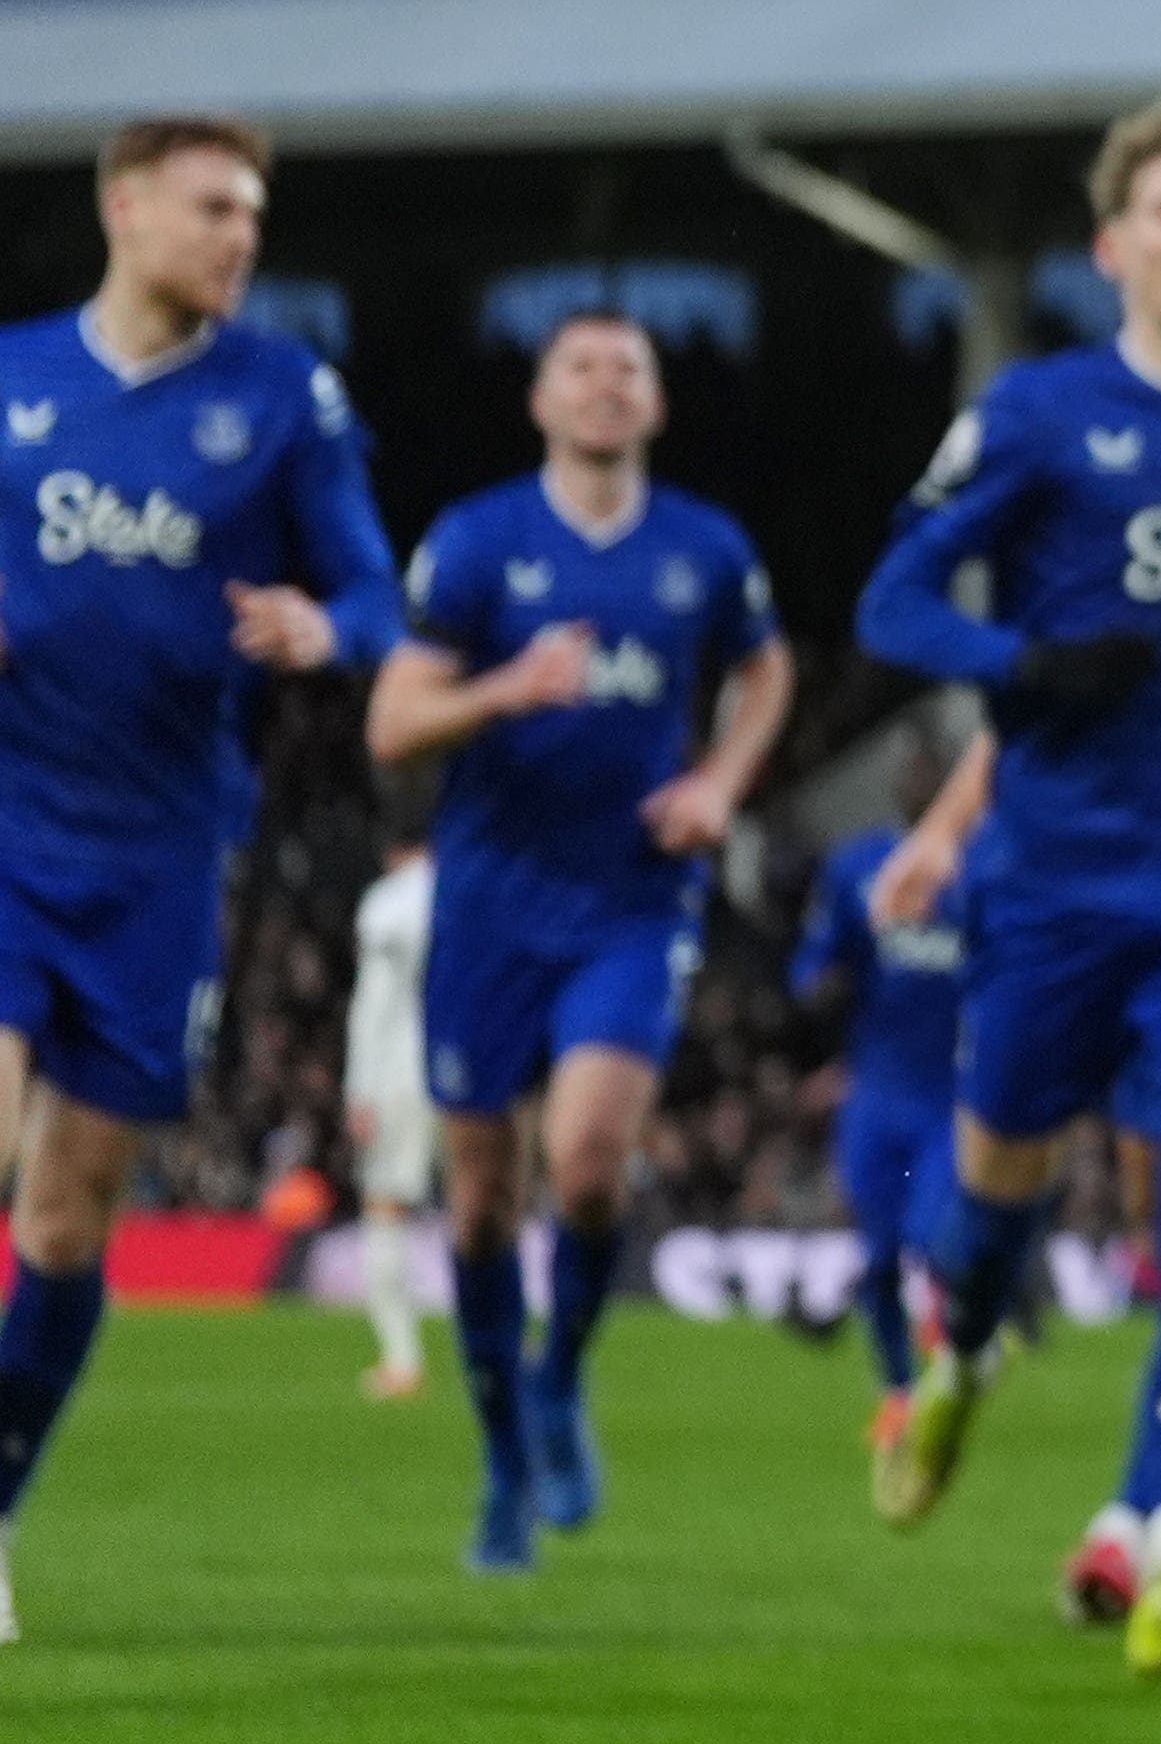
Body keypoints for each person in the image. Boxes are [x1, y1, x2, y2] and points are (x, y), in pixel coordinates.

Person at [856, 98, 1161, 1685]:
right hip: (1053, 887)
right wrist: (1028, 663)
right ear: (1114, 245)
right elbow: (894, 600)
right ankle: (956, 1353)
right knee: (993, 1205)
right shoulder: (1039, 412)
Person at [0, 116, 403, 1646]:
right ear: (124, 204)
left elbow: (377, 583)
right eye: (213, 206)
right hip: (5, 820)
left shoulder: (283, 397)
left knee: (63, 1227)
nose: (240, 235)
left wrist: (327, 627)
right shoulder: (14, 376)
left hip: (162, 851)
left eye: (254, 212)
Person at [368, 309, 793, 1571]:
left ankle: (562, 1378)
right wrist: (507, 687)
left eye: (630, 370)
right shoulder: (479, 538)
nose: (607, 387)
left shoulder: (705, 549)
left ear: (657, 404)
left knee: (592, 1160)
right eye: (583, 367)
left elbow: (766, 673)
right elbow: (393, 722)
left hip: (630, 896)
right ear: (542, 399)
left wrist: (721, 779)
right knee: (485, 1194)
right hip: (491, 906)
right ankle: (504, 1457)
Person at [795, 739, 978, 1463]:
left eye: (934, 772)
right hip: (878, 1093)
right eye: (912, 770)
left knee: (936, 1240)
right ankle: (900, 1391)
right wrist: (820, 983)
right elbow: (816, 959)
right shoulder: (859, 868)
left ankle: (953, 1360)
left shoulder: (982, 875)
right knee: (877, 1256)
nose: (920, 781)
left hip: (952, 1099)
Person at [344, 830, 439, 1400]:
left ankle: (402, 1360)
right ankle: (517, 1343)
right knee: (491, 1202)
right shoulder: (467, 889)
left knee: (385, 1207)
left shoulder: (388, 902)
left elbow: (374, 1002)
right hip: (476, 1061)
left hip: (402, 1070)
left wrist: (360, 1089)